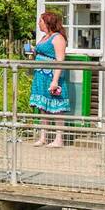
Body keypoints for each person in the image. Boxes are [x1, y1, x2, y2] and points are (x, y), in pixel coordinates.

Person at [29, 11, 70, 148]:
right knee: (43, 107)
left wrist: (55, 81)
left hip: (51, 76)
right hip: (40, 75)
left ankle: (59, 138)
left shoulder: (58, 38)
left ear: (48, 22)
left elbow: (60, 60)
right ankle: (43, 137)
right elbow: (41, 52)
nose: (38, 23)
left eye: (41, 21)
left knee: (57, 107)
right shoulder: (45, 37)